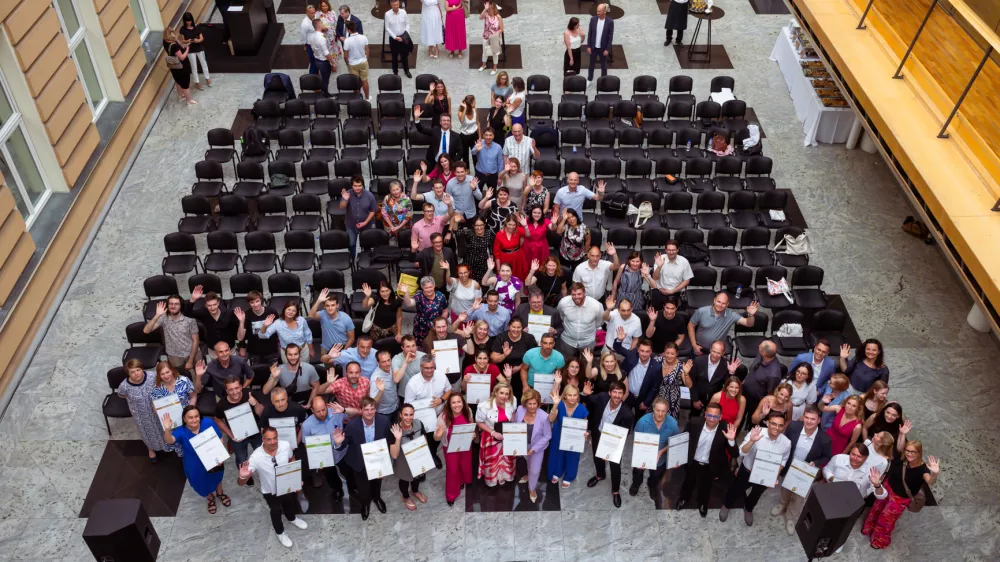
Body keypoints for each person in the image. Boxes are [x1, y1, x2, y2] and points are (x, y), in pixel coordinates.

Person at [237, 426, 308, 548]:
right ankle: (280, 532)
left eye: (275, 438)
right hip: (270, 491)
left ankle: (292, 518)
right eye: (268, 439)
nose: (273, 442)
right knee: (275, 510)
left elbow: (291, 459)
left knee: (289, 503)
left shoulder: (285, 445)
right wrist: (243, 477)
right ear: (263, 439)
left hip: (286, 486)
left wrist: (295, 478)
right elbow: (240, 483)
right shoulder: (256, 457)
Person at [862, 441, 940, 549]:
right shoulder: (903, 459)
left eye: (913, 452)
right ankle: (869, 528)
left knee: (886, 519)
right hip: (887, 487)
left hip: (900, 498)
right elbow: (899, 447)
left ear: (919, 452)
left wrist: (935, 473)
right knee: (876, 508)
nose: (909, 454)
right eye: (908, 450)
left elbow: (930, 481)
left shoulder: (923, 469)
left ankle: (879, 541)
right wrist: (903, 434)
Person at [721, 412, 791, 526]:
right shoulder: (756, 432)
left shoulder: (786, 443)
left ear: (783, 426)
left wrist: (774, 475)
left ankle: (748, 509)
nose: (777, 428)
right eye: (773, 424)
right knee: (736, 489)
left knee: (756, 494)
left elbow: (783, 460)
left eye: (780, 425)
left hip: (766, 475)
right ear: (767, 423)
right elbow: (741, 452)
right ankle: (727, 505)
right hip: (747, 471)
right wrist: (752, 441)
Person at [771, 406, 832, 534]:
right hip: (789, 466)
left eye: (813, 419)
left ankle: (791, 517)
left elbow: (827, 456)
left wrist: (815, 462)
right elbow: (784, 442)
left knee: (798, 496)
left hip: (805, 472)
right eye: (807, 418)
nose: (809, 421)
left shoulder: (824, 439)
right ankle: (783, 504)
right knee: (785, 488)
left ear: (819, 420)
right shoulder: (793, 427)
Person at [334, 397, 393, 519]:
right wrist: (338, 443)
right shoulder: (352, 425)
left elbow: (388, 440)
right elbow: (344, 444)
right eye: (366, 409)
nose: (370, 412)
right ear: (360, 410)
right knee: (363, 486)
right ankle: (365, 504)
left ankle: (377, 498)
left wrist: (385, 462)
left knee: (377, 483)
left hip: (377, 460)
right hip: (360, 461)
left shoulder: (384, 421)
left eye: (372, 409)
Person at [676, 402, 738, 516]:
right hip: (693, 461)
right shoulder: (694, 423)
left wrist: (731, 440)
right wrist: (677, 458)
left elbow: (735, 453)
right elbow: (682, 440)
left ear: (720, 417)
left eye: (715, 416)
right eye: (709, 415)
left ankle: (702, 503)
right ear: (705, 415)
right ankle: (684, 498)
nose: (712, 419)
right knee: (688, 482)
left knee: (705, 486)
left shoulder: (726, 428)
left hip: (710, 464)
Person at [162, 407, 228, 513]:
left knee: (217, 476)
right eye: (190, 417)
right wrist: (167, 430)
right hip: (194, 463)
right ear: (184, 419)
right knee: (201, 481)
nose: (194, 420)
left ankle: (220, 493)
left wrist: (219, 455)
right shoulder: (181, 431)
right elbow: (170, 441)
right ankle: (210, 497)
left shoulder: (208, 422)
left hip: (212, 457)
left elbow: (219, 437)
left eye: (196, 416)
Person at [582, 380, 633, 507]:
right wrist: (585, 394)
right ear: (609, 393)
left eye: (620, 393)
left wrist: (610, 450)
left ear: (623, 395)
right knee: (597, 457)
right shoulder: (602, 398)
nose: (617, 395)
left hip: (614, 440)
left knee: (615, 466)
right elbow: (588, 399)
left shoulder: (627, 414)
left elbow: (625, 434)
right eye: (614, 392)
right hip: (598, 434)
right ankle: (600, 475)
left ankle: (615, 491)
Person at [823, 445, 888, 537]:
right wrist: (831, 478)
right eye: (853, 454)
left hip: (851, 504)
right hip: (831, 495)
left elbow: (882, 496)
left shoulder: (870, 473)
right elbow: (826, 470)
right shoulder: (838, 459)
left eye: (859, 456)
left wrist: (877, 484)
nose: (855, 458)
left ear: (865, 458)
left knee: (842, 524)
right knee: (824, 516)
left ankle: (835, 541)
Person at [404, 355, 452, 466]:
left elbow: (448, 390)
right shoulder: (412, 384)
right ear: (421, 367)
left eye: (432, 367)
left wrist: (441, 400)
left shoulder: (440, 375)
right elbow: (408, 405)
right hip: (420, 419)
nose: (430, 370)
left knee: (436, 438)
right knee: (422, 441)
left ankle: (433, 454)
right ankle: (422, 464)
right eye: (427, 368)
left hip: (439, 414)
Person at [630, 397, 680, 503]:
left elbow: (675, 442)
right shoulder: (642, 422)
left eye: (663, 411)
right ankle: (636, 484)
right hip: (643, 455)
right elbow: (636, 441)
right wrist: (639, 459)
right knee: (638, 473)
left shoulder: (672, 424)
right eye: (658, 410)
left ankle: (652, 487)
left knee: (656, 477)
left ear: (667, 411)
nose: (660, 414)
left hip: (661, 458)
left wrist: (662, 451)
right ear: (653, 409)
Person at [118, 359, 167, 461]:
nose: (136, 374)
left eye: (138, 370)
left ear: (142, 369)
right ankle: (151, 449)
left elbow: (162, 385)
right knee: (146, 433)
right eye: (132, 372)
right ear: (128, 373)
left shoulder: (152, 376)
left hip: (156, 410)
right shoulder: (124, 386)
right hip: (140, 415)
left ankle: (165, 446)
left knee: (162, 429)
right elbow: (122, 395)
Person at [301, 396, 348, 498]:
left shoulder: (337, 412)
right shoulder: (306, 425)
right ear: (312, 410)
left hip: (341, 452)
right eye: (318, 411)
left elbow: (353, 416)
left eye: (323, 410)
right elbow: (306, 443)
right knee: (331, 476)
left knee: (348, 472)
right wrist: (316, 459)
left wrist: (345, 410)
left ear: (327, 406)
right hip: (324, 457)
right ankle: (338, 490)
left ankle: (353, 488)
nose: (322, 414)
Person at [214, 376, 264, 470]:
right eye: (231, 389)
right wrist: (230, 434)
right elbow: (217, 420)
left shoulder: (250, 394)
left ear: (241, 387)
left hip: (256, 430)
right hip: (237, 435)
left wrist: (256, 404)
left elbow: (262, 414)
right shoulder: (221, 404)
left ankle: (262, 471)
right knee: (241, 459)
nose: (235, 392)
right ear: (227, 391)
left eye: (236, 388)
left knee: (261, 453)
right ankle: (245, 476)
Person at [687, 292, 758, 356]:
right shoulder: (701, 311)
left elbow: (749, 324)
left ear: (727, 304)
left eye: (723, 303)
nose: (720, 305)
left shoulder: (731, 314)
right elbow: (690, 326)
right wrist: (694, 345)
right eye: (718, 302)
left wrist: (751, 315)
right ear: (714, 300)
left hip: (717, 352)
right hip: (699, 348)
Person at [547, 383, 589, 488]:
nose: (572, 398)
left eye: (575, 395)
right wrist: (555, 405)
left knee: (572, 456)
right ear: (565, 395)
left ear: (578, 396)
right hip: (558, 434)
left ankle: (569, 476)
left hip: (574, 437)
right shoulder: (560, 404)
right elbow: (550, 419)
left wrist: (586, 433)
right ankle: (557, 472)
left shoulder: (582, 409)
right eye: (570, 395)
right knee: (557, 454)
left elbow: (585, 423)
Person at [475, 383, 518, 486]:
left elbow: (513, 413)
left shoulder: (512, 402)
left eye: (507, 394)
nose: (504, 396)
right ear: (495, 392)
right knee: (493, 460)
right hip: (491, 437)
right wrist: (493, 432)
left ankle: (504, 477)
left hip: (506, 436)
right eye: (501, 393)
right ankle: (492, 480)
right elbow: (479, 422)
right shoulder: (484, 406)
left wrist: (511, 427)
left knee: (507, 458)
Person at [151, 362, 198, 455]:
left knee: (191, 442)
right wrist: (163, 416)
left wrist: (190, 410)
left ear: (172, 370)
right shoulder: (156, 389)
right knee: (177, 442)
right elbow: (155, 408)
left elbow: (193, 396)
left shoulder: (184, 381)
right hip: (171, 422)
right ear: (159, 376)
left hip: (187, 418)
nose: (166, 376)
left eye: (167, 372)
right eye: (162, 374)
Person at [435, 393, 474, 505]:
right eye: (453, 402)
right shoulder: (443, 417)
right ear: (449, 404)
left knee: (465, 465)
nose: (457, 405)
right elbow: (436, 437)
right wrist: (439, 434)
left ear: (463, 402)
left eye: (459, 402)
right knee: (452, 470)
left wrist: (471, 434)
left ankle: (463, 481)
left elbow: (471, 423)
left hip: (465, 446)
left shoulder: (468, 411)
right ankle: (451, 495)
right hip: (450, 449)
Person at [613, 332, 663, 419]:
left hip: (642, 399)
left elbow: (655, 387)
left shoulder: (656, 367)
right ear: (638, 350)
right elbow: (618, 348)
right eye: (642, 351)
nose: (644, 354)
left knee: (639, 423)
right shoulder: (631, 356)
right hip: (627, 395)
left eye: (647, 351)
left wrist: (646, 402)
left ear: (651, 352)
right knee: (623, 419)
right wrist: (619, 340)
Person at [514, 388, 551, 502]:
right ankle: (528, 476)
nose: (532, 406)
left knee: (535, 469)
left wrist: (534, 449)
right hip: (522, 445)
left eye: (534, 403)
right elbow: (515, 426)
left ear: (538, 403)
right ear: (525, 403)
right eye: (529, 403)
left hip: (537, 448)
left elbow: (547, 436)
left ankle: (532, 488)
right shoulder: (520, 410)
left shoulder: (544, 416)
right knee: (527, 462)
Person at [389, 404, 429, 510]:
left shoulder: (418, 423)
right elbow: (394, 454)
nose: (408, 417)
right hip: (403, 460)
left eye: (411, 414)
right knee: (404, 480)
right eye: (405, 414)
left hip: (417, 457)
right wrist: (398, 438)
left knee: (417, 477)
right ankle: (406, 497)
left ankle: (415, 491)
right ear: (400, 415)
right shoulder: (395, 429)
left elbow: (424, 439)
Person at [144, 296, 200, 369]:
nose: (173, 306)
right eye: (171, 303)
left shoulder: (190, 319)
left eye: (176, 304)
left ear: (181, 306)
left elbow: (195, 340)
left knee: (198, 376)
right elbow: (146, 331)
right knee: (178, 377)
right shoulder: (163, 318)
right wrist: (157, 315)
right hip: (174, 355)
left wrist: (190, 360)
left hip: (192, 352)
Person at [490, 317, 536, 398]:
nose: (516, 330)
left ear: (522, 327)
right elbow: (493, 359)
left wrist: (519, 367)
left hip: (522, 373)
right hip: (502, 374)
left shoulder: (529, 338)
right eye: (513, 327)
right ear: (509, 327)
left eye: (518, 327)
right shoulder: (501, 337)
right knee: (503, 397)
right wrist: (504, 355)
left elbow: (534, 357)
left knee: (520, 397)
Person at [741, 339, 782, 427]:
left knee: (752, 421)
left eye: (760, 346)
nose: (758, 345)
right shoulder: (762, 355)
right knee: (739, 414)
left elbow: (770, 393)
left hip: (756, 400)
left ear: (763, 353)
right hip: (745, 391)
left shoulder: (773, 375)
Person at [557, 282, 604, 359]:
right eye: (573, 294)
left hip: (587, 342)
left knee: (586, 365)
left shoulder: (596, 305)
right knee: (566, 364)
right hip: (567, 341)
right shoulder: (563, 303)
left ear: (584, 293)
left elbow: (599, 322)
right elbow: (561, 317)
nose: (576, 297)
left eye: (579, 294)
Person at [185, 288, 237, 357]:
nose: (212, 308)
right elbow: (187, 314)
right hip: (213, 350)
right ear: (206, 305)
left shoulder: (229, 313)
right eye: (209, 305)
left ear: (218, 303)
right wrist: (193, 299)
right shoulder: (203, 313)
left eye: (214, 304)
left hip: (229, 349)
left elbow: (236, 329)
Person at [690, 340, 737, 416]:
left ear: (723, 353)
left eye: (718, 353)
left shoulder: (726, 364)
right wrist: (695, 399)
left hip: (715, 400)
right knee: (694, 417)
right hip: (698, 396)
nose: (715, 355)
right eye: (714, 351)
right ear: (710, 350)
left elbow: (728, 384)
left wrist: (731, 373)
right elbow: (692, 381)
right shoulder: (698, 361)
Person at [339, 175, 378, 258]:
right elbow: (341, 207)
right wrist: (345, 200)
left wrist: (365, 222)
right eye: (355, 186)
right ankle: (352, 258)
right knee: (351, 243)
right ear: (352, 186)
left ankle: (366, 258)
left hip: (366, 225)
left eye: (359, 185)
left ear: (363, 185)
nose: (357, 188)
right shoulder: (347, 194)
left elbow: (373, 210)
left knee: (367, 244)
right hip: (351, 225)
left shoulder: (369, 195)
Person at [402, 276, 449, 345]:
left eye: (430, 287)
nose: (429, 290)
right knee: (423, 346)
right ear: (422, 287)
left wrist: (441, 323)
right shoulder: (419, 296)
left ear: (434, 286)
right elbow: (409, 303)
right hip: (421, 327)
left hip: (437, 327)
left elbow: (445, 310)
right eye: (426, 288)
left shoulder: (441, 296)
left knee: (436, 345)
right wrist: (406, 293)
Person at [237, 291, 280, 365]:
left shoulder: (271, 311)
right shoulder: (246, 314)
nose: (255, 304)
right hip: (255, 351)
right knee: (258, 373)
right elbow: (240, 338)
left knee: (274, 373)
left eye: (257, 301)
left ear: (261, 300)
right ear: (249, 303)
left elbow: (278, 329)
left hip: (272, 349)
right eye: (252, 302)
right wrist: (241, 322)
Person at [310, 288, 355, 356]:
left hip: (342, 348)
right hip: (326, 349)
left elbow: (351, 338)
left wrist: (343, 352)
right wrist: (318, 301)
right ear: (324, 307)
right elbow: (310, 315)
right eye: (327, 305)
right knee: (328, 367)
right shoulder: (322, 314)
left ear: (337, 306)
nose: (330, 308)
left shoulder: (346, 318)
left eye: (333, 305)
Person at [650, 240, 693, 309]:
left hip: (676, 291)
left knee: (673, 313)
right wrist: (659, 267)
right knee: (656, 313)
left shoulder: (684, 261)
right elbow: (655, 278)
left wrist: (672, 291)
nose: (671, 252)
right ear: (665, 250)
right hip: (660, 290)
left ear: (677, 250)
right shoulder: (660, 259)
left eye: (673, 250)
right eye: (669, 250)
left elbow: (687, 280)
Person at [656, 343, 691, 419]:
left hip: (672, 400)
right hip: (655, 397)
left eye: (672, 354)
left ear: (677, 354)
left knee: (669, 423)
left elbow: (689, 385)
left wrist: (686, 374)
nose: (669, 356)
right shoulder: (657, 360)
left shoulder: (680, 366)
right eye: (667, 353)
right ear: (664, 352)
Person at [163, 29, 196, 105]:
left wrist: (176, 40)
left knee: (178, 81)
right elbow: (182, 57)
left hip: (173, 66)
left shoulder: (165, 41)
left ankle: (180, 95)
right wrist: (187, 49)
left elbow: (180, 44)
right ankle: (189, 100)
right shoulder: (174, 46)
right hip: (181, 66)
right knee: (185, 84)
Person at [490, 214, 528, 281]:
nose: (512, 227)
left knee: (519, 277)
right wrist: (498, 268)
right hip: (505, 259)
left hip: (518, 258)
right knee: (506, 279)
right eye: (509, 224)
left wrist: (525, 226)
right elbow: (496, 253)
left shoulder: (518, 230)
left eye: (514, 225)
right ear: (506, 223)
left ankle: (522, 288)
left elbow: (528, 234)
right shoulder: (499, 234)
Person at [179, 13, 211, 90]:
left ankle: (207, 78)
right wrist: (188, 41)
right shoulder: (183, 29)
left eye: (189, 21)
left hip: (199, 47)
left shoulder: (196, 27)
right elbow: (182, 40)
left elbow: (202, 38)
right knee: (194, 66)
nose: (188, 23)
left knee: (204, 63)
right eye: (187, 21)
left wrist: (197, 40)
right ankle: (197, 82)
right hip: (190, 50)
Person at [342, 21, 370, 100]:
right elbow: (367, 49)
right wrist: (366, 59)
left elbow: (345, 56)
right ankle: (367, 98)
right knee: (364, 81)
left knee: (355, 83)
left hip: (352, 64)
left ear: (348, 30)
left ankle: (357, 99)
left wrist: (347, 64)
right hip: (363, 62)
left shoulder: (347, 41)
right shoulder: (363, 37)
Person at [586, 4, 614, 81]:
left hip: (603, 48)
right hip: (593, 47)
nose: (597, 12)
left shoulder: (610, 22)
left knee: (604, 66)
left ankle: (603, 80)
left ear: (604, 12)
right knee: (591, 64)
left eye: (599, 11)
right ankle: (589, 79)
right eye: (597, 10)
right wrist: (588, 46)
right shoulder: (593, 19)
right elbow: (590, 33)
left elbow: (610, 37)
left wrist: (607, 49)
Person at [308, 18, 336, 94]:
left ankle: (324, 93)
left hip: (316, 58)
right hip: (323, 62)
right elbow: (326, 53)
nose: (323, 24)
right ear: (319, 25)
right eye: (322, 23)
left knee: (322, 77)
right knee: (325, 79)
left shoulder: (311, 36)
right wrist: (333, 63)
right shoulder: (321, 38)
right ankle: (325, 94)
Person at [385, 0, 412, 78]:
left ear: (399, 4)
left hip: (403, 37)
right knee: (394, 56)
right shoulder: (387, 14)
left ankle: (406, 70)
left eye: (397, 5)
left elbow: (407, 24)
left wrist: (405, 35)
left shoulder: (403, 12)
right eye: (394, 5)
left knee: (404, 55)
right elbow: (387, 27)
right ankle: (395, 71)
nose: (396, 7)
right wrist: (395, 37)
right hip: (394, 39)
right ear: (391, 5)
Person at [369, 350, 400, 416]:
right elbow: (373, 403)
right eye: (383, 362)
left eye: (388, 360)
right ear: (378, 362)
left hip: (396, 406)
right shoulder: (375, 378)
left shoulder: (392, 367)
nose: (387, 364)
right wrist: (381, 391)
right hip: (384, 413)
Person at [464, 217, 493, 283]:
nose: (479, 227)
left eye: (481, 225)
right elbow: (457, 232)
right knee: (470, 283)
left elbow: (491, 246)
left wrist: (491, 256)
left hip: (483, 263)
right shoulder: (469, 233)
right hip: (470, 262)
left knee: (483, 283)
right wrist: (456, 222)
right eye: (477, 225)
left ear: (484, 225)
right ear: (473, 226)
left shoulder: (488, 233)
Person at [478, 1, 503, 74]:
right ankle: (483, 65)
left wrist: (495, 34)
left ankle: (495, 68)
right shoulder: (486, 15)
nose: (489, 10)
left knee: (495, 52)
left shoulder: (498, 17)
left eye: (490, 9)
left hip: (494, 37)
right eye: (488, 9)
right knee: (485, 51)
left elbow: (501, 29)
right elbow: (480, 17)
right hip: (486, 36)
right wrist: (485, 9)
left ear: (494, 9)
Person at [458, 97, 481, 167]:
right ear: (469, 104)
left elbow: (478, 123)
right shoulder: (460, 112)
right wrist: (465, 108)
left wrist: (479, 136)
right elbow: (461, 120)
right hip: (464, 136)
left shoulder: (475, 110)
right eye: (474, 102)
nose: (475, 103)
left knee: (476, 154)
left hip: (474, 135)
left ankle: (477, 170)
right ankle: (466, 170)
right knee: (465, 155)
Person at [317, 1, 338, 69]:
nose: (325, 8)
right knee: (325, 49)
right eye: (323, 6)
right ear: (321, 6)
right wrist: (322, 29)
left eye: (326, 6)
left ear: (328, 6)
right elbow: (315, 25)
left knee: (333, 49)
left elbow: (336, 23)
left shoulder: (332, 13)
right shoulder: (317, 14)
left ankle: (333, 64)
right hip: (323, 36)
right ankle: (326, 63)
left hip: (332, 35)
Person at [301, 4, 319, 75]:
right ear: (307, 13)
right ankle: (312, 77)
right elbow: (303, 36)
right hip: (310, 45)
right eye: (311, 13)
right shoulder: (304, 24)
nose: (314, 14)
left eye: (314, 12)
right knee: (313, 62)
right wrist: (305, 45)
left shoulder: (315, 17)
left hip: (317, 42)